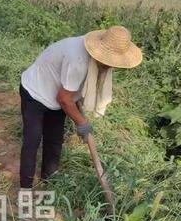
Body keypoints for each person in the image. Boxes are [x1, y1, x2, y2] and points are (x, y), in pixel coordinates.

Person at [19, 25, 142, 189]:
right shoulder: (78, 60)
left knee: (54, 140)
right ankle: (25, 189)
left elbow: (70, 93)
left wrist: (78, 116)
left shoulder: (92, 60)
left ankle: (49, 181)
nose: (109, 66)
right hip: (35, 91)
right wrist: (82, 124)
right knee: (32, 141)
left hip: (58, 93)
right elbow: (64, 99)